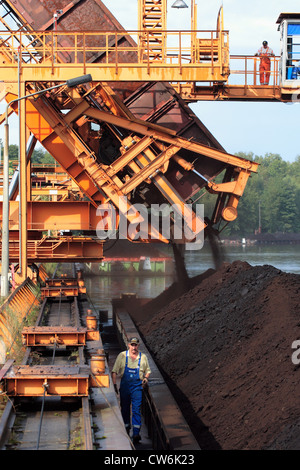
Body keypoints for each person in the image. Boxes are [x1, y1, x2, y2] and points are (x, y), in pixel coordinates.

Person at [112, 336, 151, 444]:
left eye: (135, 345)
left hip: (137, 387)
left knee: (136, 409)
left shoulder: (143, 357)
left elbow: (148, 370)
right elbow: (114, 371)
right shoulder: (122, 356)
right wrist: (115, 385)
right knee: (124, 408)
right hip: (125, 387)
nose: (134, 347)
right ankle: (126, 428)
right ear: (129, 345)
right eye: (132, 345)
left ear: (138, 345)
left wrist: (146, 378)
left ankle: (136, 433)